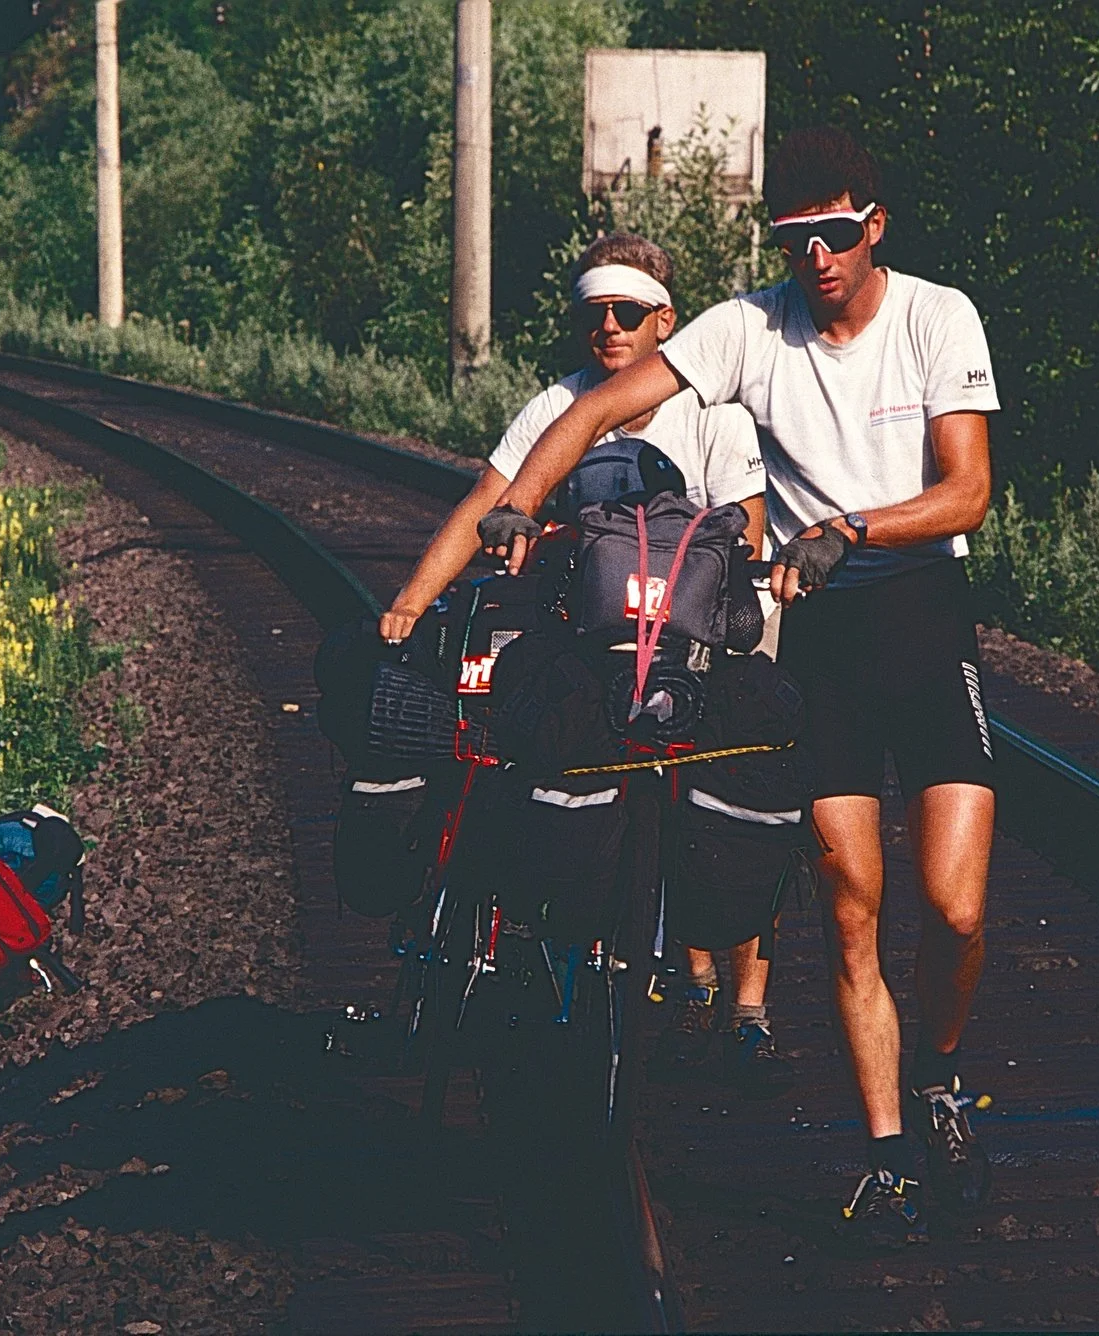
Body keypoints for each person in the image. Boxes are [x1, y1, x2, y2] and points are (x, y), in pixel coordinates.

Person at [478, 128, 1001, 1248]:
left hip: (918, 614)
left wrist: (846, 526)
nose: (812, 258)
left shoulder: (934, 317)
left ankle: (942, 1078)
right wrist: (522, 498)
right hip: (823, 637)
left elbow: (966, 493)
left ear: (872, 228)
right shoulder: (749, 326)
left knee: (954, 907)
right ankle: (887, 1155)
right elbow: (597, 408)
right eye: (791, 238)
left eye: (831, 234)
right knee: (849, 909)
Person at [377, 233, 794, 1093]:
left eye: (629, 313)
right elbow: (485, 503)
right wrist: (412, 603)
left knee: (733, 777)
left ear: (665, 322)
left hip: (693, 618)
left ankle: (745, 1001)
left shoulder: (713, 413)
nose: (610, 327)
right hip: (596, 630)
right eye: (595, 314)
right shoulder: (558, 407)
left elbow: (747, 525)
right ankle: (629, 948)